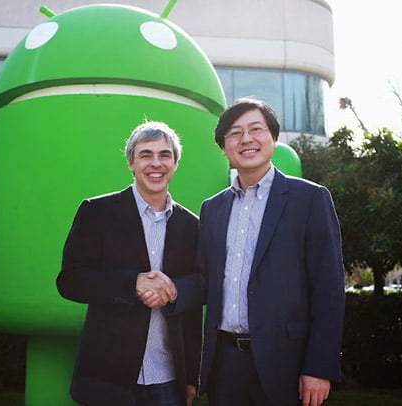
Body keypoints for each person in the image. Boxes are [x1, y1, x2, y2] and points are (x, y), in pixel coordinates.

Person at [147, 98, 346, 406]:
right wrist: (171, 290)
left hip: (286, 364)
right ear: (224, 147)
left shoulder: (309, 200)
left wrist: (319, 367)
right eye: (235, 134)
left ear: (273, 138)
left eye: (256, 129)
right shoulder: (213, 209)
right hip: (226, 364)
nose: (246, 140)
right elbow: (205, 279)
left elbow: (329, 290)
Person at [56, 121, 202, 406]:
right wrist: (131, 283)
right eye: (145, 155)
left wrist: (191, 377)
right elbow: (70, 280)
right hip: (108, 379)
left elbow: (197, 296)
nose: (155, 163)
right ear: (131, 164)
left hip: (168, 380)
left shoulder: (192, 226)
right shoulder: (97, 212)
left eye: (164, 155)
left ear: (175, 164)